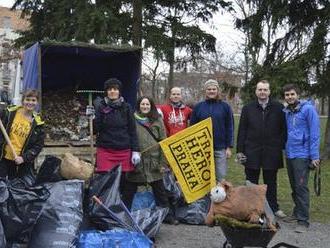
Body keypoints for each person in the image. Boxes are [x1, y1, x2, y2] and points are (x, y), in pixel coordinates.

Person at [236, 80, 287, 218]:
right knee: (251, 181)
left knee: (271, 181)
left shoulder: (278, 107)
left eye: (265, 90)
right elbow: (242, 130)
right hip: (251, 150)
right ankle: (251, 208)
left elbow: (284, 130)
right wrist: (240, 150)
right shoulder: (248, 108)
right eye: (260, 89)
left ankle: (273, 207)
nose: (262, 92)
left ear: (269, 91)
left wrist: (279, 145)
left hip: (272, 151)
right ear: (256, 91)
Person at [125, 96, 178, 224]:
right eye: (143, 104)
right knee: (129, 191)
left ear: (151, 106)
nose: (145, 107)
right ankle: (124, 213)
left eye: (147, 104)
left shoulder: (157, 120)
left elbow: (163, 142)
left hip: (154, 163)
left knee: (160, 192)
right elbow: (128, 138)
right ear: (138, 106)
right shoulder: (132, 120)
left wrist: (162, 163)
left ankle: (167, 215)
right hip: (137, 162)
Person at [282, 84, 320, 233]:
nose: (289, 97)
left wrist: (315, 156)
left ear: (298, 95)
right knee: (294, 186)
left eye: (292, 94)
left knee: (301, 188)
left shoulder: (308, 110)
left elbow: (315, 133)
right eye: (287, 95)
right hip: (290, 154)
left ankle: (303, 221)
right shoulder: (286, 112)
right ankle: (297, 212)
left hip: (303, 155)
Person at [93, 78, 141, 195]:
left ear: (119, 91)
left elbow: (132, 130)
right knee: (105, 182)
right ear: (106, 92)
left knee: (122, 182)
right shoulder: (101, 107)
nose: (112, 92)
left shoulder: (127, 107)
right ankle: (105, 208)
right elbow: (96, 130)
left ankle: (121, 207)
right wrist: (93, 118)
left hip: (123, 151)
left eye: (115, 89)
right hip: (105, 150)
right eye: (110, 89)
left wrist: (135, 150)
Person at [190, 79, 234, 183]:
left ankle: (221, 198)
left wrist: (228, 147)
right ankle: (205, 198)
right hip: (202, 148)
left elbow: (230, 127)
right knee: (203, 177)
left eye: (214, 89)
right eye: (209, 89)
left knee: (220, 177)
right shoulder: (199, 107)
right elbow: (192, 127)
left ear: (217, 90)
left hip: (220, 147)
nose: (211, 91)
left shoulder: (225, 106)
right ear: (205, 91)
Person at [0, 89, 45, 179]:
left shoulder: (38, 123)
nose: (30, 103)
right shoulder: (9, 113)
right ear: (23, 101)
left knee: (14, 188)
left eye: (33, 100)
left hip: (19, 163)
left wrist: (24, 158)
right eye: (27, 99)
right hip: (2, 157)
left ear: (37, 102)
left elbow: (38, 146)